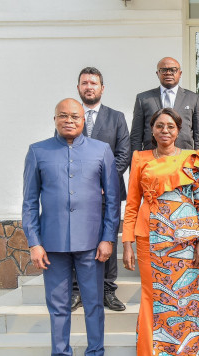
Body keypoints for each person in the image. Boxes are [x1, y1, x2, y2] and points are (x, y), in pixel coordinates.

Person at [22, 98, 120, 356]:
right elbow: (29, 202)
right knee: (58, 305)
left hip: (92, 243)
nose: (69, 120)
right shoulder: (38, 151)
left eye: (75, 116)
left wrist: (107, 238)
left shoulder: (101, 150)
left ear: (83, 120)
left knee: (93, 304)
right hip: (51, 244)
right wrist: (33, 242)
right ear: (54, 119)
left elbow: (112, 200)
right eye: (63, 115)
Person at [122, 108, 199, 356]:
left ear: (179, 130)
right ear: (152, 130)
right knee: (154, 301)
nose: (165, 131)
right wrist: (126, 243)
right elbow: (132, 203)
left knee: (184, 302)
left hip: (185, 243)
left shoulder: (191, 159)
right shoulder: (140, 158)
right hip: (148, 240)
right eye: (159, 126)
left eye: (170, 126)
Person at [70, 67, 130, 312]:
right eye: (84, 83)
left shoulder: (116, 118)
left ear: (102, 88)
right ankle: (76, 290)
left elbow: (123, 154)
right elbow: (64, 153)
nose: (89, 87)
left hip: (109, 193)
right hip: (77, 195)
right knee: (76, 240)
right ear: (78, 88)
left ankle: (107, 289)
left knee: (108, 240)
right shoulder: (70, 116)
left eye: (93, 83)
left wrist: (103, 183)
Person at [130, 57, 199, 152]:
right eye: (163, 70)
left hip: (185, 156)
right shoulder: (143, 99)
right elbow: (136, 134)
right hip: (152, 156)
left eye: (173, 70)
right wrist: (135, 160)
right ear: (157, 73)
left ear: (180, 73)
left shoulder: (193, 98)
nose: (168, 73)